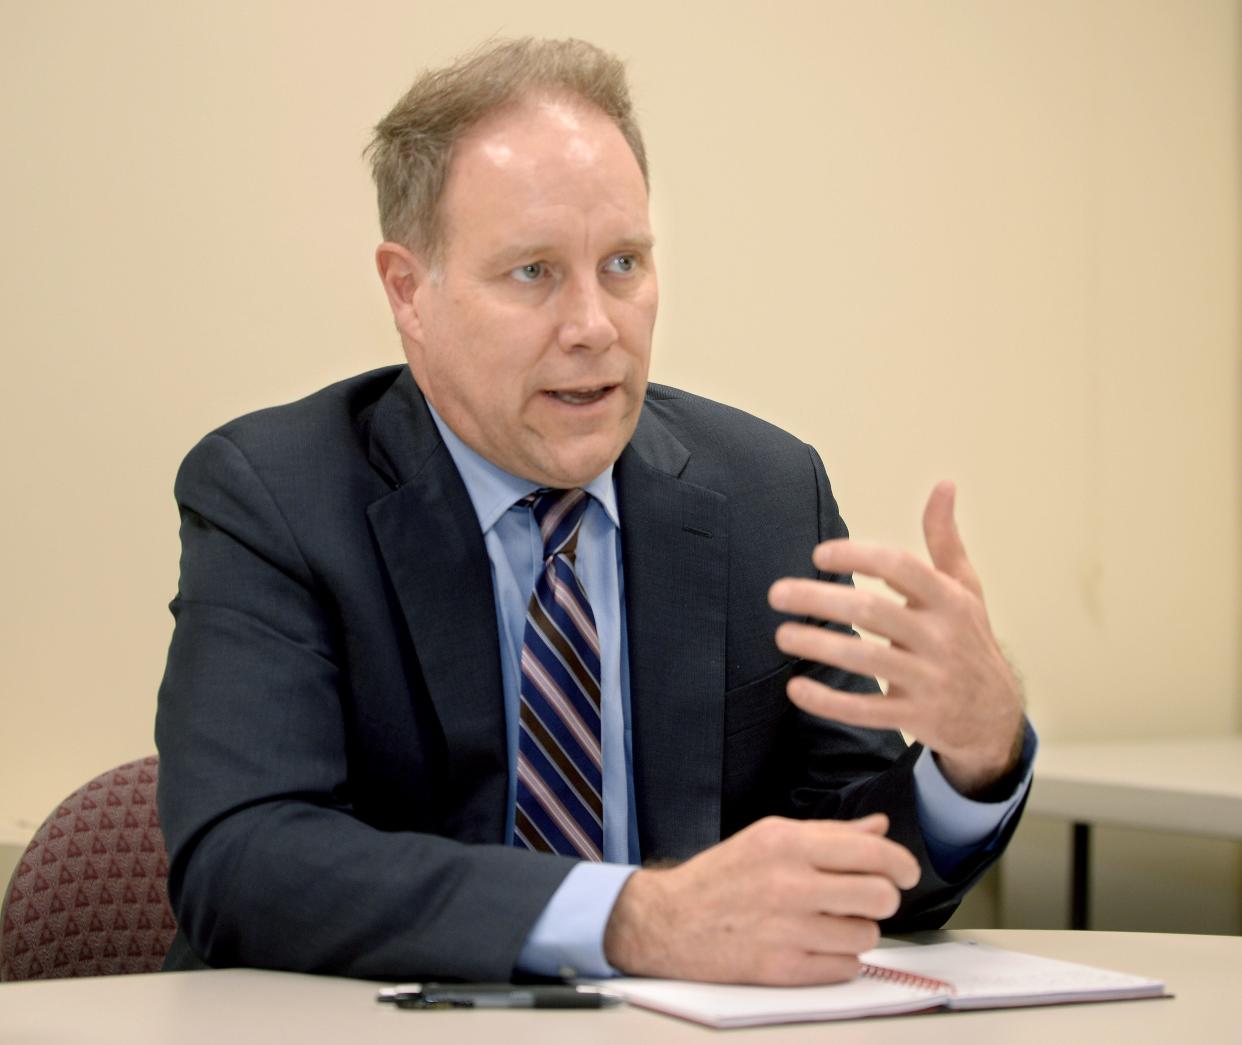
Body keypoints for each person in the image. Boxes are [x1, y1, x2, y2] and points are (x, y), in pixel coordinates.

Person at [155, 37, 1033, 986]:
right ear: (411, 292)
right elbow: (245, 856)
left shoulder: (766, 492)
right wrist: (630, 918)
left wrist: (974, 759)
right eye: (533, 271)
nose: (594, 326)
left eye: (622, 263)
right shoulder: (276, 495)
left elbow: (848, 859)